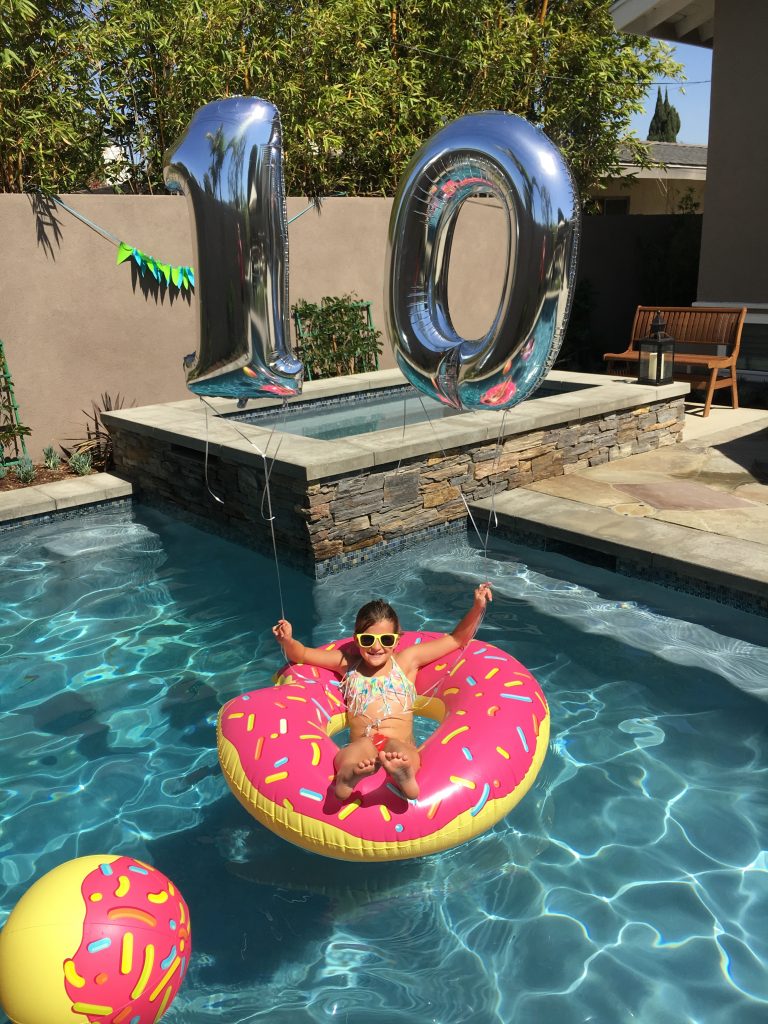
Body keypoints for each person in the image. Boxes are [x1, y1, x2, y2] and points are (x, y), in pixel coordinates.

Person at [272, 583, 492, 801]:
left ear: (397, 640)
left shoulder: (406, 661)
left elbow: (456, 639)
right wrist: (288, 640)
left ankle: (404, 775)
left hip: (398, 742)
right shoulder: (347, 664)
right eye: (367, 640)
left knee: (405, 753)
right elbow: (302, 655)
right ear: (356, 639)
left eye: (386, 640)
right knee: (351, 753)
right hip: (364, 743)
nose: (376, 647)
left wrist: (477, 607)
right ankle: (348, 776)